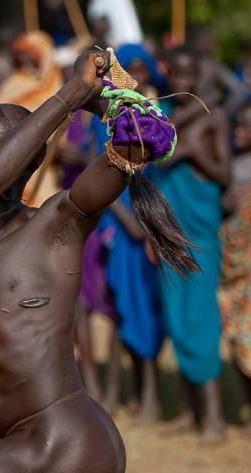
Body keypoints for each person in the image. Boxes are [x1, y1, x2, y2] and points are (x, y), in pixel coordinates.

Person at [0, 48, 192, 472]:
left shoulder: (58, 225)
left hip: (66, 441)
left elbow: (146, 137)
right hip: (27, 445)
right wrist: (73, 94)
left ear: (15, 167)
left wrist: (99, 95)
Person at [151, 47, 230, 442]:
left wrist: (195, 154)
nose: (181, 82)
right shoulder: (161, 117)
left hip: (199, 234)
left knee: (201, 320)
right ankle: (190, 410)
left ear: (198, 75)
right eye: (175, 75)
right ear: (168, 74)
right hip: (170, 232)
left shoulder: (213, 119)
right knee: (177, 319)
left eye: (189, 75)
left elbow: (224, 173)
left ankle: (214, 417)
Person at [95, 43, 166, 420]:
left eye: (142, 68)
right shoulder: (107, 117)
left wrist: (148, 225)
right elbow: (100, 173)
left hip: (150, 225)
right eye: (129, 68)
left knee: (148, 309)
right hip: (121, 229)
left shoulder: (160, 115)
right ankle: (118, 392)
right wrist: (126, 222)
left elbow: (161, 173)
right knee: (122, 307)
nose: (136, 77)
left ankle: (151, 394)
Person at [0, 30, 64, 207]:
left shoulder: (55, 83)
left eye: (30, 54)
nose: (25, 60)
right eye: (21, 55)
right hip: (15, 160)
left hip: (46, 165)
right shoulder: (12, 84)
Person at [219, 101, 251, 429]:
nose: (238, 131)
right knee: (236, 336)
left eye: (246, 126)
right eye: (237, 124)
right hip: (234, 268)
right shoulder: (230, 165)